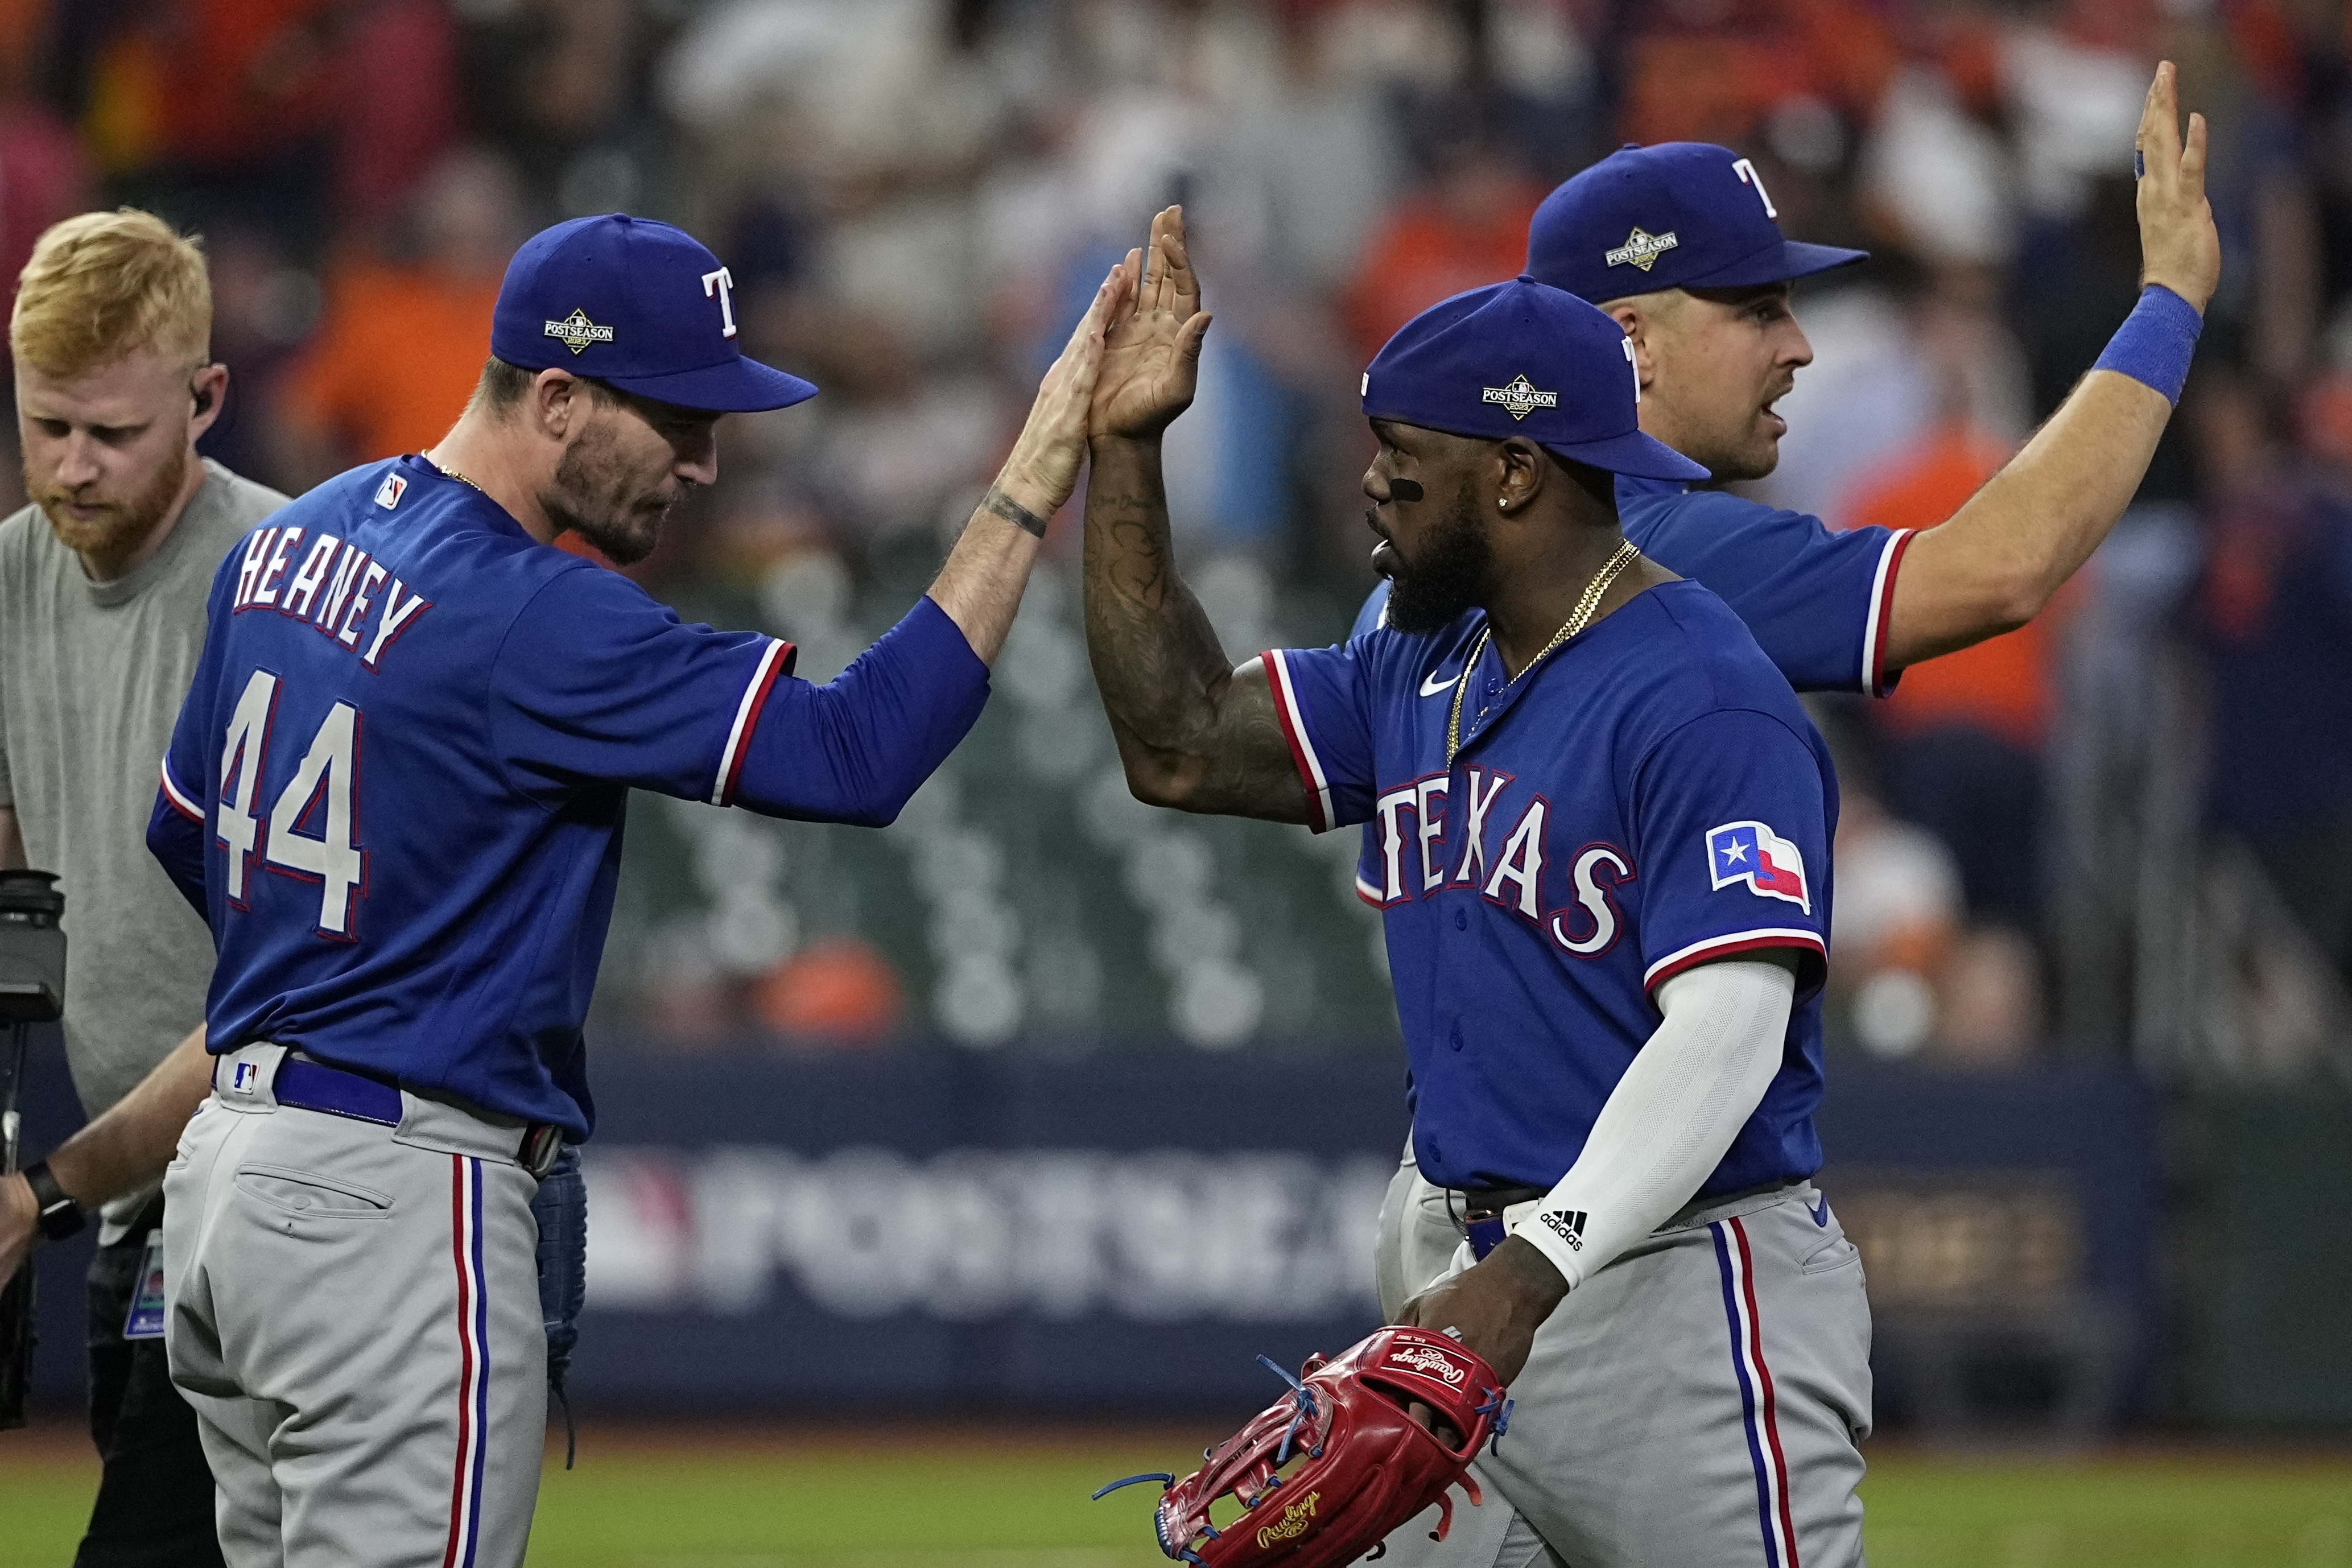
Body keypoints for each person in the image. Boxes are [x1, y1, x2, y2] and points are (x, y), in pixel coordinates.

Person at [144, 213, 1118, 1567]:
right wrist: (1034, 474)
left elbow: (183, 835)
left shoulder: (285, 541)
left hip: (226, 1193)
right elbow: (856, 752)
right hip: (393, 1199)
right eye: (676, 419)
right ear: (556, 398)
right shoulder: (538, 610)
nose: (707, 462)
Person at [1360, 61, 2219, 1327]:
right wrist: (2168, 304)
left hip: (1474, 1215)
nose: (1799, 342)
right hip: (1628, 1257)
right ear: (1627, 341)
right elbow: (1998, 567)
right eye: (1755, 308)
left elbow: (1209, 751)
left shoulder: (1433, 576)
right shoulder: (1643, 557)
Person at [1083, 210, 1864, 1563]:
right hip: (1460, 1282)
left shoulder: (1702, 694)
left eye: (1405, 461)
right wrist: (1128, 450)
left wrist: (1534, 1268)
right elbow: (1182, 740)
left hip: (1672, 1291)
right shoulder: (1422, 662)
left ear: (1513, 474)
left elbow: (1730, 1031)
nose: (1372, 485)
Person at [0, 208, 288, 1568]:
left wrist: (40, 1192)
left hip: (286, 1185)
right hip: (141, 1209)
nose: (73, 467)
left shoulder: (287, 595)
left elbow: (273, 1002)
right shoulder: (4, 581)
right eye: (47, 425)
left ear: (207, 398)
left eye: (112, 434)